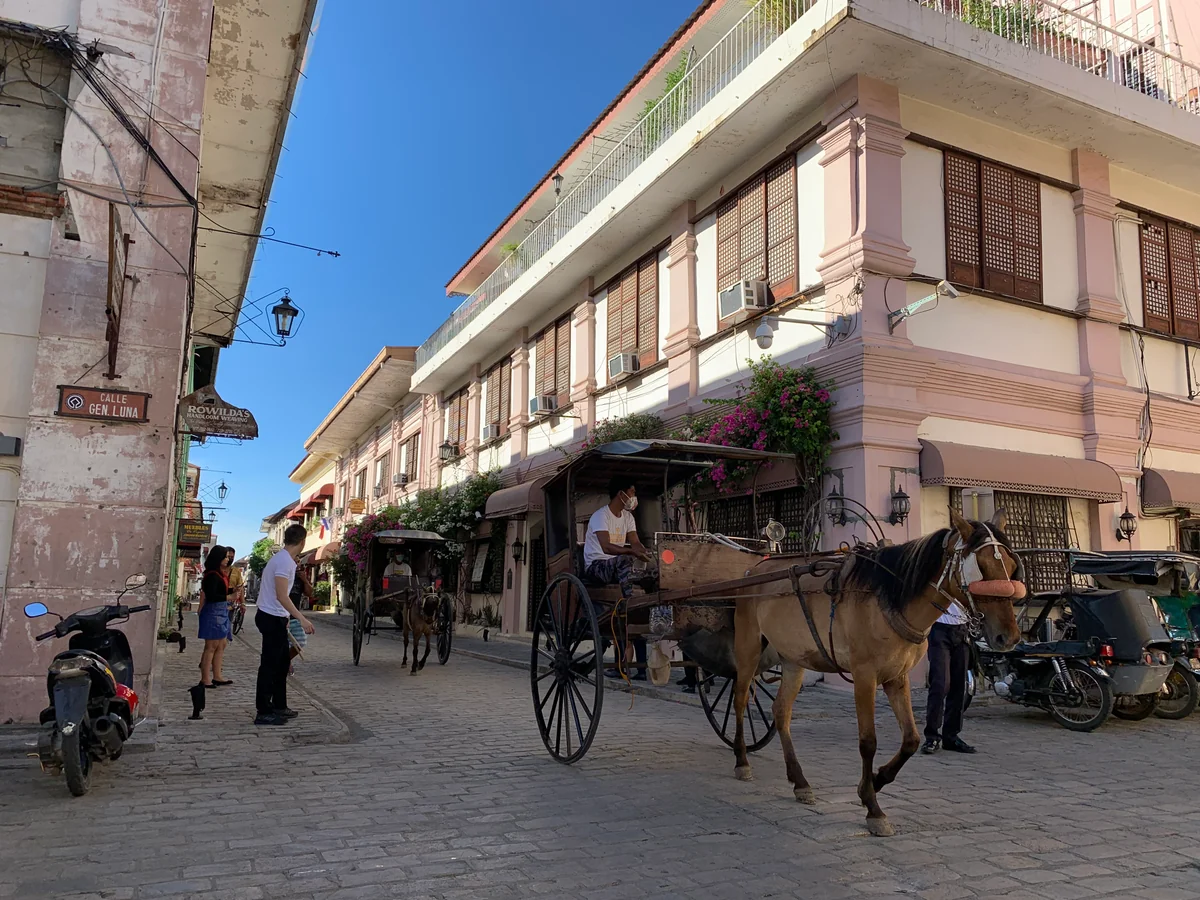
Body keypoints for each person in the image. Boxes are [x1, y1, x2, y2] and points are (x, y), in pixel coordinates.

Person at [584, 477, 653, 680]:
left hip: (617, 567)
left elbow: (635, 543)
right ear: (620, 494)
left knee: (645, 570)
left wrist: (647, 554)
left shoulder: (628, 518)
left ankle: (637, 604)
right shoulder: (600, 516)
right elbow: (606, 547)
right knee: (624, 560)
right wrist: (631, 552)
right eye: (631, 493)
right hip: (597, 566)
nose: (633, 497)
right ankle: (629, 602)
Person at [254, 524, 315, 726]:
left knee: (281, 665)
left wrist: (286, 617)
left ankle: (279, 705)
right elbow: (282, 595)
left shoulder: (284, 560)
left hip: (276, 616)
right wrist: (301, 618)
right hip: (270, 617)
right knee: (269, 666)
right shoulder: (284, 562)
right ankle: (263, 711)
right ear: (302, 541)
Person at [922, 599, 976, 754]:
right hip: (939, 629)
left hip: (962, 629)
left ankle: (951, 736)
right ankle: (932, 736)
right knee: (940, 684)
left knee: (960, 687)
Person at [196, 545, 232, 688]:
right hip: (213, 612)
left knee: (221, 644)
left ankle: (217, 676)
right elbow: (211, 595)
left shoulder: (219, 574)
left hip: (221, 611)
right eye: (226, 556)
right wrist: (229, 596)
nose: (228, 559)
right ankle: (205, 678)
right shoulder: (211, 574)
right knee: (211, 646)